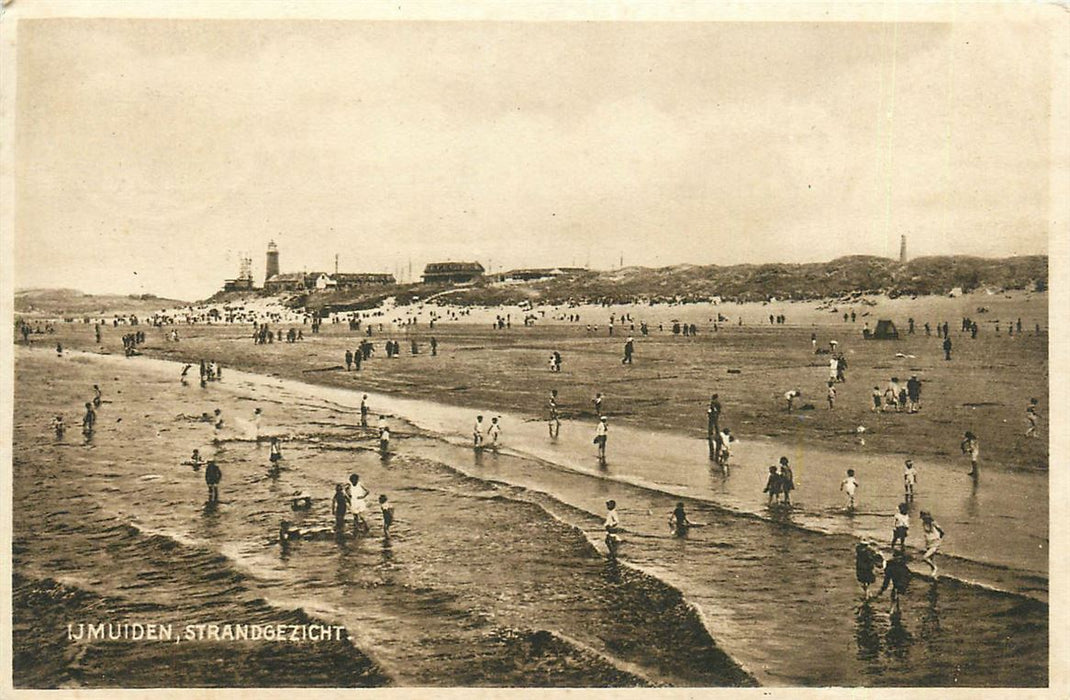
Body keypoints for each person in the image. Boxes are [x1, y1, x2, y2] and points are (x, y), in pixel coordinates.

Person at [919, 511, 945, 579]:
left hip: (935, 542)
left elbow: (942, 531)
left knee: (925, 557)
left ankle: (935, 568)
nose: (923, 519)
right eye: (923, 518)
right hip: (928, 543)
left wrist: (939, 539)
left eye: (924, 517)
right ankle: (934, 575)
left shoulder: (933, 523)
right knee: (931, 559)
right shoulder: (924, 523)